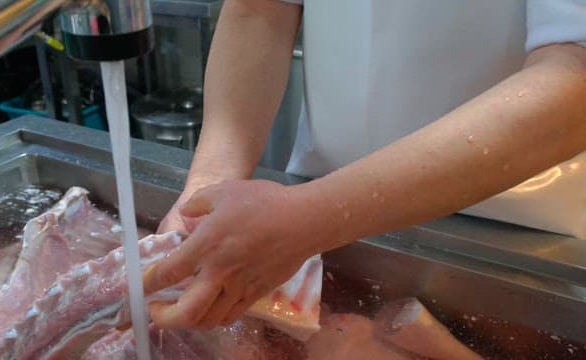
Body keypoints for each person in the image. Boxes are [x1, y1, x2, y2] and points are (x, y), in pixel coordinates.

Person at [144, 0, 586, 330]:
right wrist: (203, 193)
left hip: (516, 234)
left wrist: (309, 217)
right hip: (314, 213)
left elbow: (575, 71)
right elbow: (260, 9)